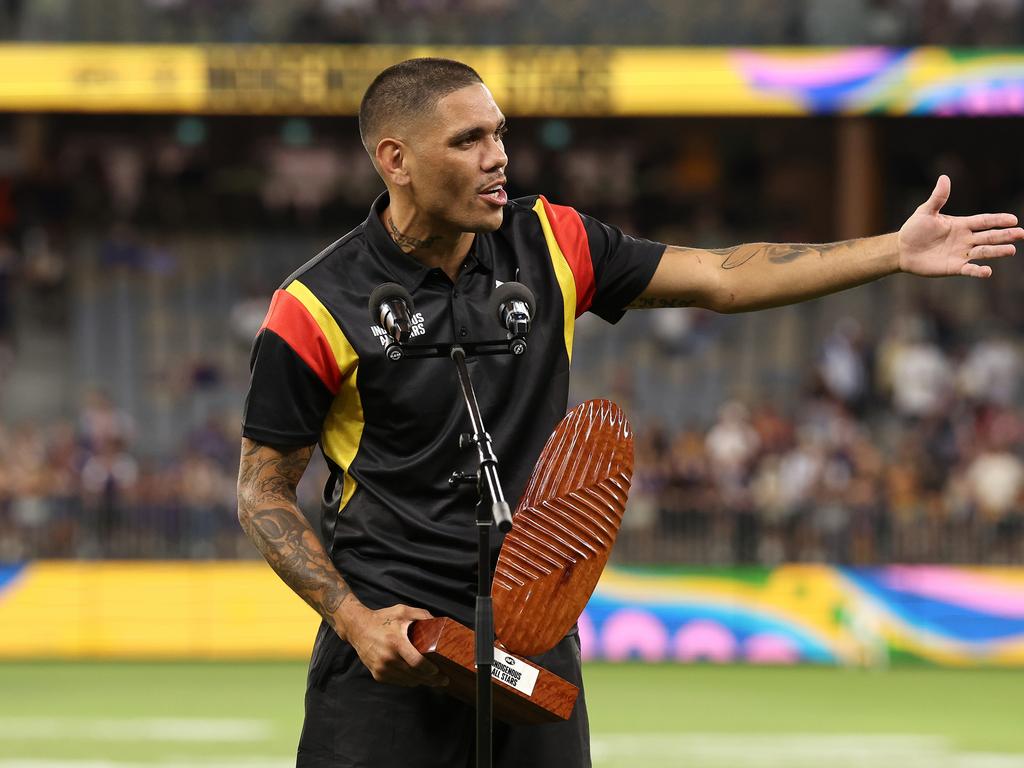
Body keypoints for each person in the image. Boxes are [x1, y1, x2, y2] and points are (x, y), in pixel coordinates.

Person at [236, 58, 1022, 767]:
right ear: (396, 161)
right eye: (469, 140)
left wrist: (893, 250)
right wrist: (352, 620)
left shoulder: (553, 239)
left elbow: (722, 277)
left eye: (500, 134)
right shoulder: (313, 305)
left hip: (534, 634)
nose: (498, 156)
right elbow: (263, 490)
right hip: (391, 647)